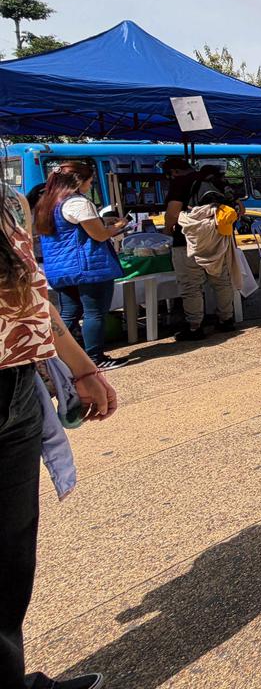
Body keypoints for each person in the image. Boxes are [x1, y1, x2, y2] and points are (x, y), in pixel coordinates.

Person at [0, 184, 118, 689]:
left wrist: (82, 369)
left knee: (9, 557)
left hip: (15, 386)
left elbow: (31, 292)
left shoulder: (8, 203)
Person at [33, 162, 128, 370]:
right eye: (90, 181)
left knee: (69, 313)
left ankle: (50, 358)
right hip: (88, 267)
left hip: (59, 268)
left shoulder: (47, 203)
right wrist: (117, 227)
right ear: (78, 181)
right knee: (94, 313)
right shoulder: (78, 202)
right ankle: (95, 358)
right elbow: (99, 235)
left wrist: (103, 222)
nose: (90, 185)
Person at [162, 157, 238, 341]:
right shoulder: (215, 180)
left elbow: (173, 213)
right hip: (218, 238)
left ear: (173, 172)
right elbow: (239, 209)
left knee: (191, 285)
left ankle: (195, 326)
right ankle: (226, 318)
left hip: (188, 240)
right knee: (221, 281)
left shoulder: (180, 183)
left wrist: (167, 230)